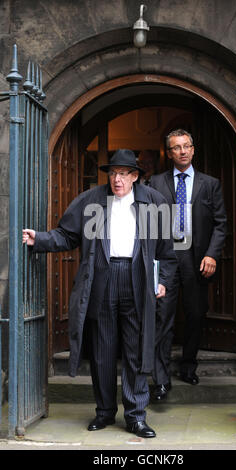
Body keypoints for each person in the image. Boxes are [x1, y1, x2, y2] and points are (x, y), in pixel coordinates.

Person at [22, 149, 177, 438]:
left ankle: (135, 416)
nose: (117, 179)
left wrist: (162, 280)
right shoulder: (91, 200)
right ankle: (104, 412)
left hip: (138, 278)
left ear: (135, 176)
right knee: (103, 351)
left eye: (123, 174)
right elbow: (67, 235)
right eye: (113, 173)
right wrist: (38, 239)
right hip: (102, 278)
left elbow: (167, 251)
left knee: (135, 350)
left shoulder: (153, 202)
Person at [149, 129, 227, 400]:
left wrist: (212, 254)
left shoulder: (210, 184)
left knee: (195, 315)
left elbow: (220, 224)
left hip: (197, 258)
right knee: (162, 317)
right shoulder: (155, 183)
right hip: (167, 258)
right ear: (169, 153)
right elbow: (147, 223)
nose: (182, 151)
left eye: (186, 146)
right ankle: (159, 379)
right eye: (176, 147)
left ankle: (187, 366)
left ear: (193, 149)